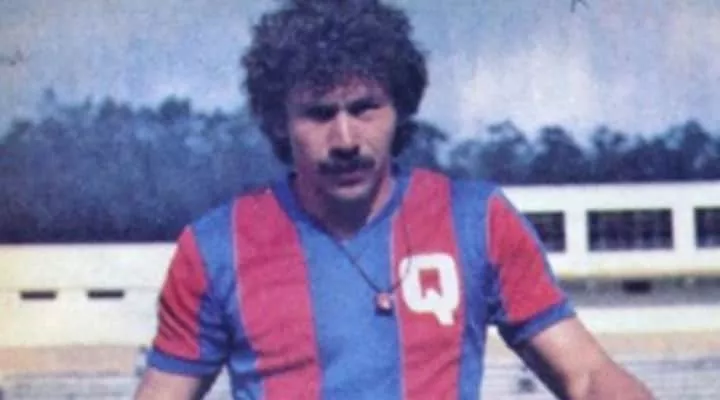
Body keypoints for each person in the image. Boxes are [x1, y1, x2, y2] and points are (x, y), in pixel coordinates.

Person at [135, 0, 654, 398]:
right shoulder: (215, 247)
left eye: (365, 108)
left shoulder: (478, 221)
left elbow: (587, 377)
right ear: (278, 120)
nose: (345, 139)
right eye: (319, 114)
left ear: (400, 108)